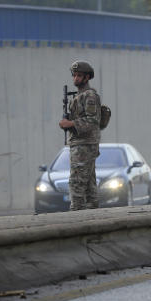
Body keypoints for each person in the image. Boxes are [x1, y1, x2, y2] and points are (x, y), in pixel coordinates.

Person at [59, 60, 101, 210]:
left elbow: (92, 120)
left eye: (79, 76)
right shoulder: (78, 96)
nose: (75, 78)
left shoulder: (89, 96)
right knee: (89, 184)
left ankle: (76, 213)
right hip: (80, 142)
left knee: (77, 181)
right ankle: (91, 216)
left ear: (87, 77)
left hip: (85, 144)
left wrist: (70, 124)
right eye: (74, 75)